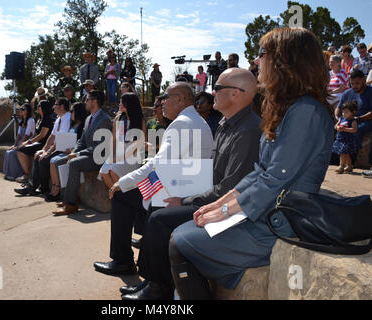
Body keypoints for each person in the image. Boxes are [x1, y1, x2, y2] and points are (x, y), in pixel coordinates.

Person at [168, 27, 334, 300]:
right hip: (265, 213)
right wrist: (216, 205)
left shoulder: (305, 111)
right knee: (182, 235)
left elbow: (274, 180)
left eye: (263, 54)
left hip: (277, 222)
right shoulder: (290, 108)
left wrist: (223, 210)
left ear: (286, 61)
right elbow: (259, 172)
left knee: (181, 240)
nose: (257, 61)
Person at [121, 68, 262, 300]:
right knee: (159, 205)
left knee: (159, 219)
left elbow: (231, 187)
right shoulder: (228, 124)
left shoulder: (246, 130)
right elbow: (211, 174)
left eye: (218, 88)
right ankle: (153, 283)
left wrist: (185, 199)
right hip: (211, 193)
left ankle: (159, 288)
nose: (210, 93)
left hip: (229, 206)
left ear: (236, 94)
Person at [93, 82, 214, 278]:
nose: (162, 102)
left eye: (166, 97)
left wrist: (122, 182)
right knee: (134, 194)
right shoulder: (195, 120)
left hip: (177, 188)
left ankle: (123, 261)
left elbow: (157, 165)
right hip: (182, 183)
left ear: (181, 99)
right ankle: (134, 258)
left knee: (121, 194)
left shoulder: (182, 123)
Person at [53, 90, 112, 215]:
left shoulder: (104, 120)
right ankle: (70, 197)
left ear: (94, 101)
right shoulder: (88, 118)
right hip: (88, 154)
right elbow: (82, 141)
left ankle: (71, 205)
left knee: (74, 163)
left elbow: (99, 147)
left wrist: (77, 154)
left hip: (99, 157)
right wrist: (74, 151)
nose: (85, 102)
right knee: (59, 161)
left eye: (87, 99)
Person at [15, 98, 72, 196]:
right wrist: (43, 150)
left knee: (43, 159)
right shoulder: (59, 118)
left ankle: (38, 187)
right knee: (38, 156)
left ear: (62, 107)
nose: (53, 106)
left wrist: (48, 152)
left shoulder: (67, 117)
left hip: (65, 147)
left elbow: (61, 140)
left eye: (56, 104)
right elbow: (52, 136)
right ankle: (36, 187)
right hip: (58, 146)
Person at [100, 93, 146, 190]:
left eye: (122, 102)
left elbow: (137, 147)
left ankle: (121, 198)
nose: (119, 104)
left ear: (129, 104)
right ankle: (117, 197)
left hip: (133, 156)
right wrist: (112, 155)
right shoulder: (118, 118)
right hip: (118, 153)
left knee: (113, 171)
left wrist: (120, 158)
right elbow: (114, 139)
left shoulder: (140, 121)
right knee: (103, 172)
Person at [47, 102, 89, 202]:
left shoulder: (82, 125)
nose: (70, 113)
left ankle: (58, 190)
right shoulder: (73, 124)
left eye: (72, 111)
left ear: (78, 112)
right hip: (67, 150)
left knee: (56, 161)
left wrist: (72, 150)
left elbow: (82, 143)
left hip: (74, 152)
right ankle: (55, 188)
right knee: (52, 161)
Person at [336, 70, 372, 167]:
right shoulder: (347, 93)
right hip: (347, 120)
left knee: (357, 130)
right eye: (352, 83)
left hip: (366, 121)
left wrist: (358, 118)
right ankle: (335, 158)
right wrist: (338, 118)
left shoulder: (370, 92)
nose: (354, 86)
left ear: (364, 80)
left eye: (357, 83)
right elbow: (338, 108)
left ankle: (352, 158)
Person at [16, 100, 54, 184]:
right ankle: (27, 174)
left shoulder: (47, 119)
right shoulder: (40, 119)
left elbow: (42, 135)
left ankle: (27, 175)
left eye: (39, 106)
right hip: (38, 143)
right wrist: (27, 142)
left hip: (44, 145)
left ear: (43, 108)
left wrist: (28, 142)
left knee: (20, 150)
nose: (37, 107)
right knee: (21, 148)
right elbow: (35, 134)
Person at [3, 103, 36, 181]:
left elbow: (26, 136)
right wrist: (14, 145)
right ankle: (9, 174)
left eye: (23, 109)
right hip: (21, 142)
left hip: (28, 143)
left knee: (12, 153)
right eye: (20, 109)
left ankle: (16, 174)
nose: (21, 110)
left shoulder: (31, 120)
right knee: (9, 151)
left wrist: (18, 146)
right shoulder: (22, 121)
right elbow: (18, 135)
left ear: (27, 111)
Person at [332, 101, 359, 174]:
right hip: (340, 139)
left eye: (346, 112)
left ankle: (341, 166)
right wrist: (338, 127)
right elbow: (335, 126)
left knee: (342, 152)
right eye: (343, 112)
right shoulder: (341, 119)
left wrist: (344, 129)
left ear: (353, 112)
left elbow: (354, 130)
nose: (344, 114)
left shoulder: (353, 121)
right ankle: (349, 166)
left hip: (348, 140)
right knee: (345, 153)